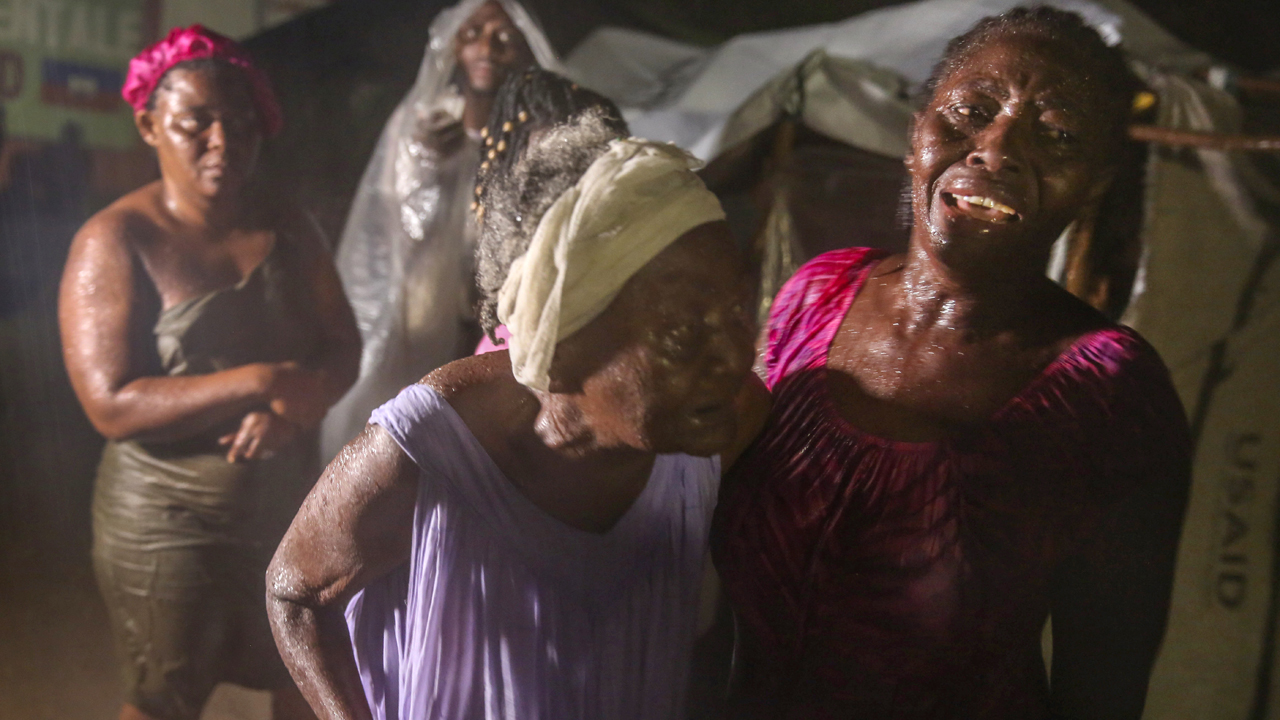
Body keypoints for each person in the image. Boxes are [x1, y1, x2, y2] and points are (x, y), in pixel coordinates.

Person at [711, 8, 1192, 719]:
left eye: (1057, 134)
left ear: (1092, 185)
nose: (996, 149)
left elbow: (1104, 687)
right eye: (972, 111)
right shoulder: (816, 293)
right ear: (916, 134)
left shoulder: (1109, 390)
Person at [266, 68, 768, 720]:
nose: (734, 356)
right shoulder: (433, 451)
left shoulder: (733, 426)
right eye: (680, 333)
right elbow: (295, 592)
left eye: (737, 310)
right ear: (563, 348)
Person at [58, 26, 361, 720]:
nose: (222, 142)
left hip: (284, 505)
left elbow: (343, 345)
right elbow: (109, 404)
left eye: (240, 123)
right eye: (195, 123)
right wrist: (261, 381)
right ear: (148, 126)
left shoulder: (291, 227)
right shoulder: (115, 239)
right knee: (164, 699)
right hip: (167, 519)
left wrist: (293, 412)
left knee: (307, 682)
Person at [320, 0, 559, 460]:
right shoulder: (423, 124)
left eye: (504, 38)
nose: (486, 49)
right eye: (472, 34)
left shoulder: (538, 136)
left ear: (527, 49)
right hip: (424, 311)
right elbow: (393, 222)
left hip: (504, 310)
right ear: (451, 45)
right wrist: (427, 167)